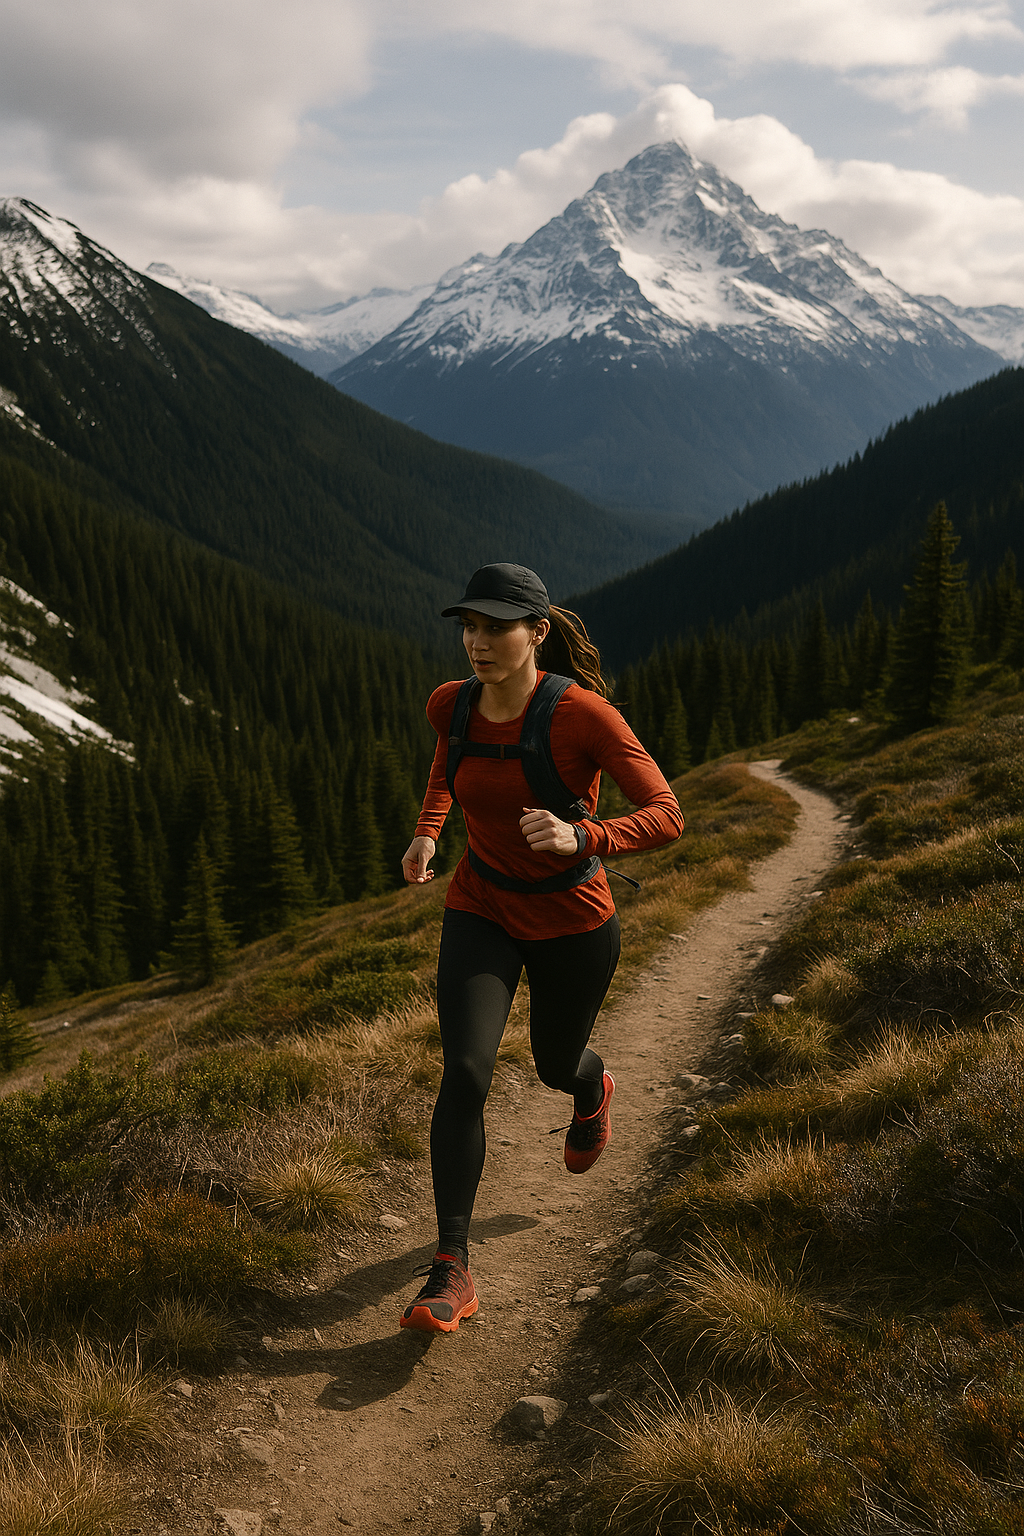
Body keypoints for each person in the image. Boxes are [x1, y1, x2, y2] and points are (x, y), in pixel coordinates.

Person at [398, 563, 684, 1333]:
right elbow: (446, 767)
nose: (478, 642)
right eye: (470, 626)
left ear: (538, 633)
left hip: (572, 920)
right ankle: (450, 1269)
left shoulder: (583, 717)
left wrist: (583, 834)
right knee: (464, 1072)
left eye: (496, 627)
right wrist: (429, 834)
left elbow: (666, 813)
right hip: (480, 906)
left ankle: (592, 1088)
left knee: (557, 1062)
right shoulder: (449, 706)